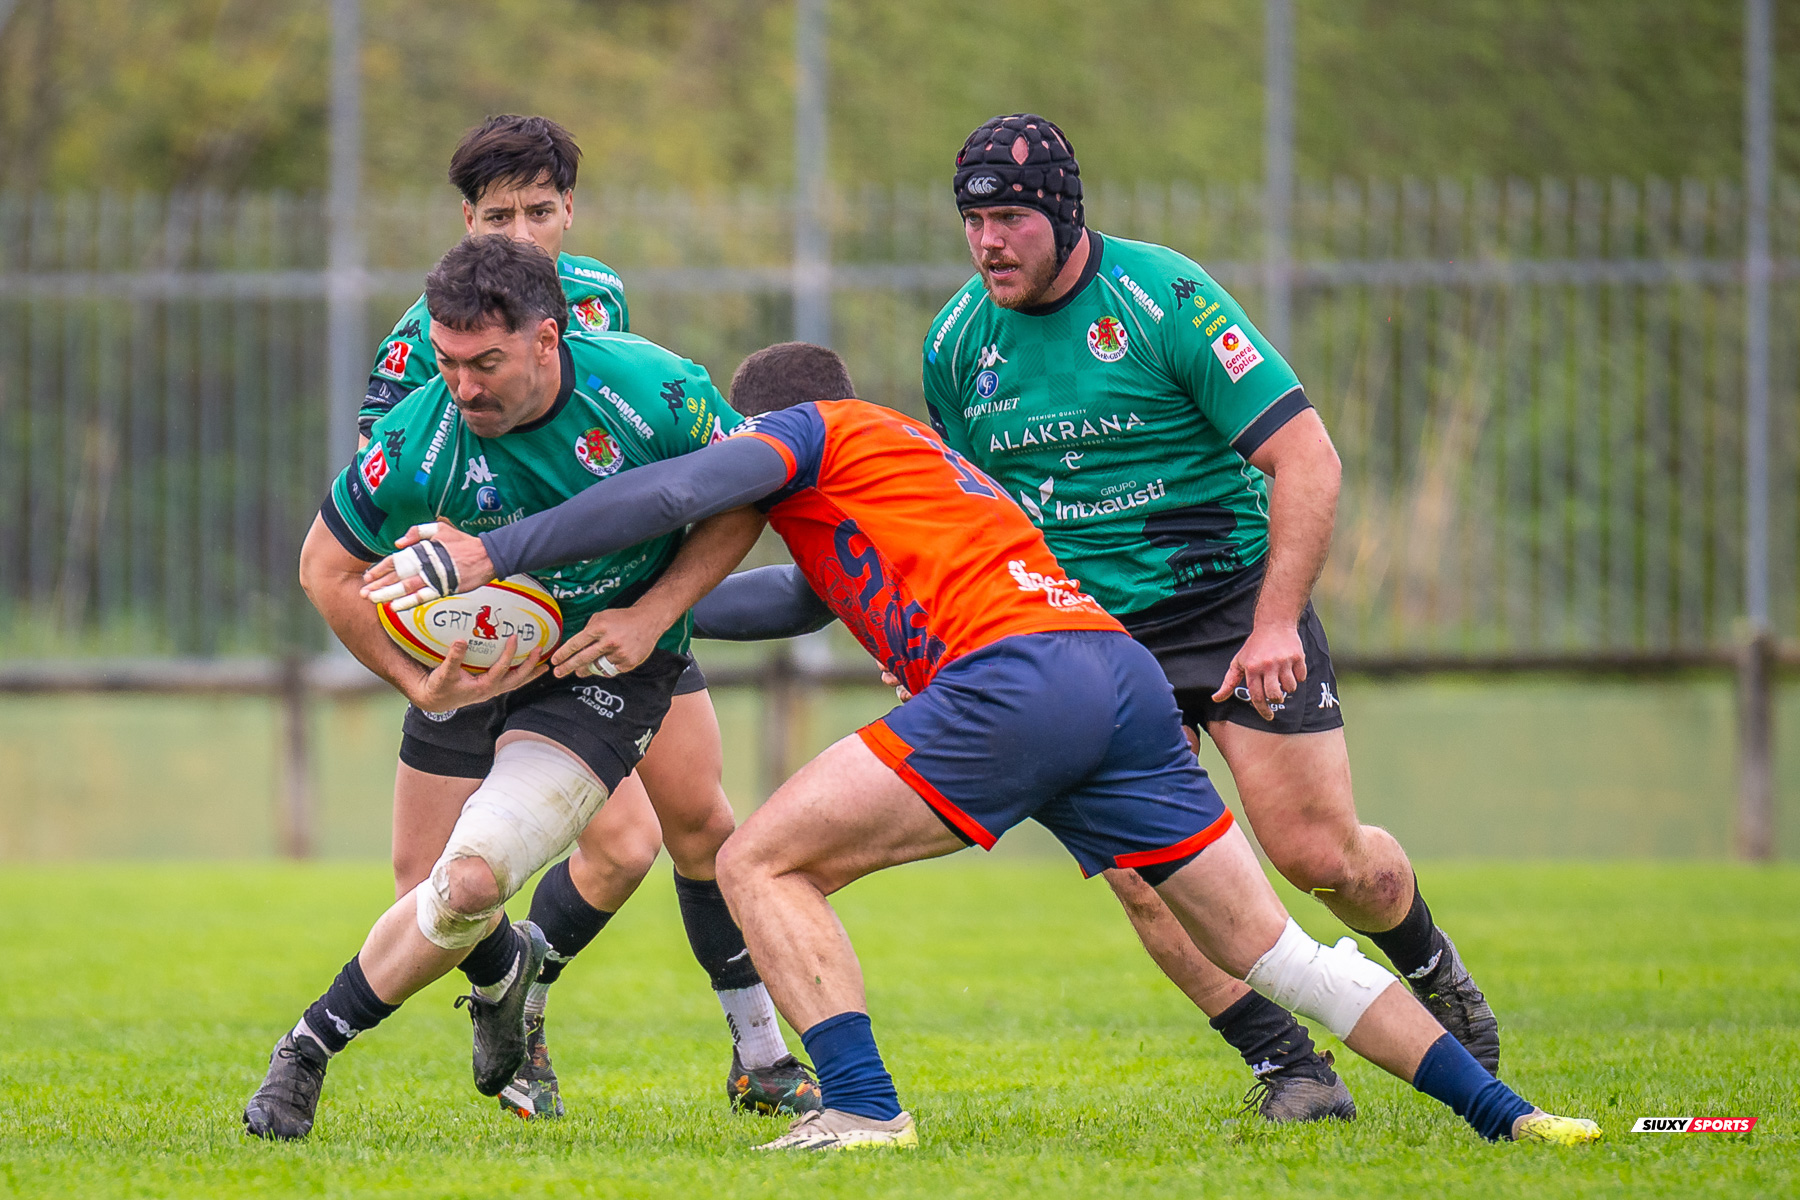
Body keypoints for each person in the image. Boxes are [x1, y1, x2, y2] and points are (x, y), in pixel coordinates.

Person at [360, 342, 1600, 1152]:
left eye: (739, 454)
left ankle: (860, 1107)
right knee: (1274, 949)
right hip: (1109, 675)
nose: (734, 483)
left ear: (766, 426)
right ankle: (1513, 1117)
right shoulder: (908, 468)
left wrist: (494, 556)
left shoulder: (815, 433)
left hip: (1013, 680)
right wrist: (607, 622)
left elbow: (677, 501)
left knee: (759, 864)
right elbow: (775, 602)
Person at [918, 114, 1500, 1120]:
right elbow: (972, 514)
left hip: (1228, 604)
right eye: (972, 221)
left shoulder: (1163, 298)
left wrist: (1276, 622)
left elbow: (1307, 459)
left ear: (1060, 211)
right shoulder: (956, 343)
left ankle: (1431, 962)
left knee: (1318, 856)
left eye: (1008, 217)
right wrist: (941, 634)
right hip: (1090, 637)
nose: (987, 242)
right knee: (1147, 876)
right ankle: (1292, 1069)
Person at [241, 236, 802, 1141]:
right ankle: (502, 976)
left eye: (486, 363)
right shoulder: (418, 435)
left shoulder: (655, 391)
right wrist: (420, 684)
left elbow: (744, 499)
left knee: (498, 872)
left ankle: (303, 1052)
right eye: (449, 362)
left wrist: (653, 612)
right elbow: (323, 571)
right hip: (477, 665)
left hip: (600, 674)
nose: (464, 388)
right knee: (440, 889)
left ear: (549, 338)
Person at [354, 114, 814, 1120]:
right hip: (499, 633)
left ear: (572, 211)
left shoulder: (601, 306)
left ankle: (760, 1055)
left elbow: (645, 466)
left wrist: (656, 601)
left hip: (622, 617)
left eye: (542, 210)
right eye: (499, 213)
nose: (522, 234)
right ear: (465, 219)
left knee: (691, 828)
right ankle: (512, 1005)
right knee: (429, 882)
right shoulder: (422, 345)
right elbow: (394, 515)